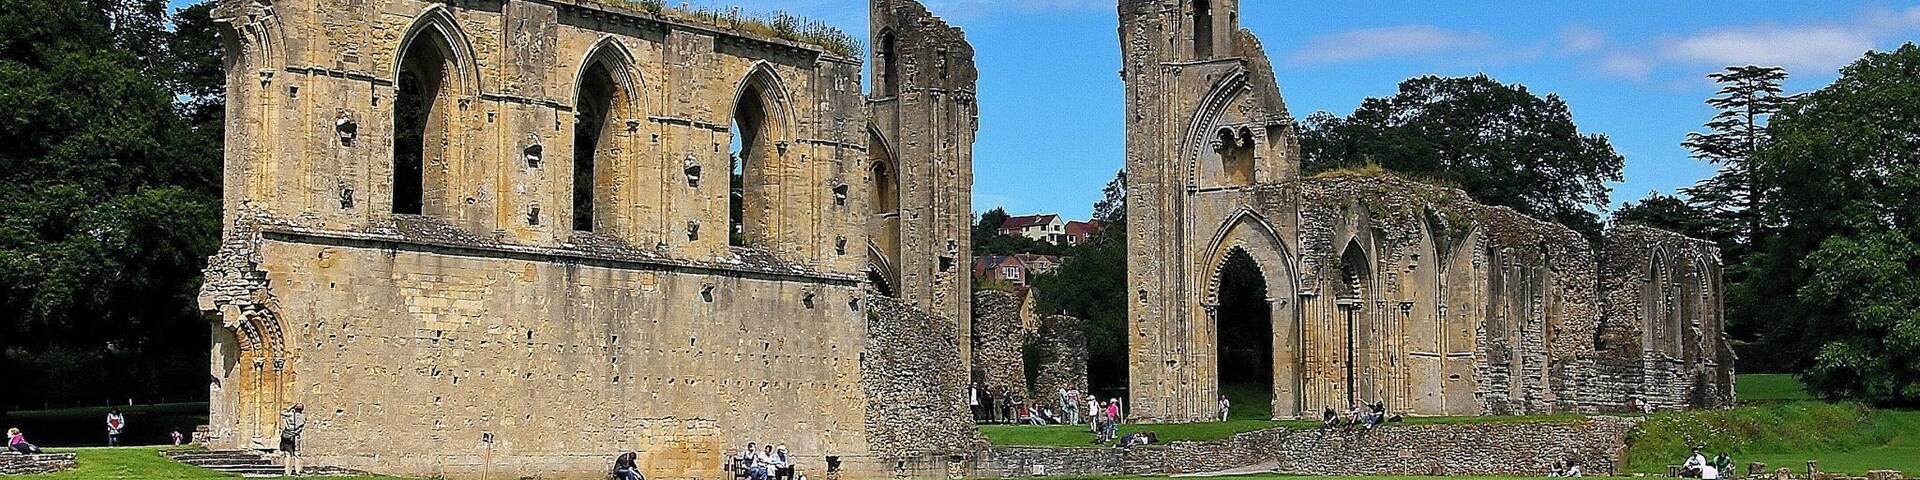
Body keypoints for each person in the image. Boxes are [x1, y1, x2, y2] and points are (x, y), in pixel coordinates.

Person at [280, 404, 307, 476]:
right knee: (297, 454)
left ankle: (287, 472)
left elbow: (282, 412)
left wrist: (290, 407)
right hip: (296, 436)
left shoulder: (290, 415)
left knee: (288, 454)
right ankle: (298, 471)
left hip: (288, 436)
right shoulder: (303, 417)